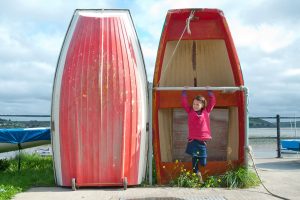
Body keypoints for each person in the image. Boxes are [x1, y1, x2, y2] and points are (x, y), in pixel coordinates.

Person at [181, 87, 216, 183]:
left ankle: (198, 172)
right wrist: (184, 92)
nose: (195, 106)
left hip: (202, 142)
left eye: (197, 104)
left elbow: (212, 102)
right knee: (194, 160)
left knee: (203, 163)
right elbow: (184, 103)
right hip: (193, 140)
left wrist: (210, 92)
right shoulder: (190, 111)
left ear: (202, 105)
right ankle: (198, 175)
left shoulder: (206, 111)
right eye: (194, 104)